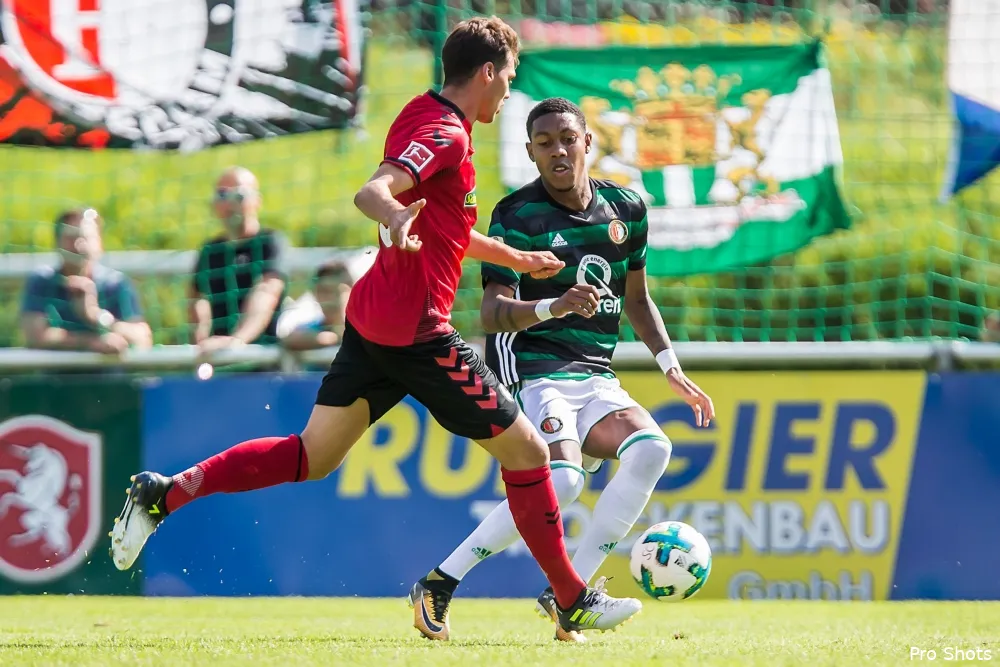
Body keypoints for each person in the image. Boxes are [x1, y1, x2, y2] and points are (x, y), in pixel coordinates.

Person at [109, 18, 642, 641]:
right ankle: (572, 598)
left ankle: (162, 494)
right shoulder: (446, 132)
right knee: (529, 454)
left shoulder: (428, 112)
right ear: (490, 72)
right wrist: (391, 215)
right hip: (416, 330)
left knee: (312, 456)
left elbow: (440, 226)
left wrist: (514, 258)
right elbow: (376, 191)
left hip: (374, 320)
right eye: (509, 80)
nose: (508, 94)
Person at [419, 98, 716, 642]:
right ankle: (441, 582)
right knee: (565, 481)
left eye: (566, 138)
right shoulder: (515, 216)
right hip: (532, 369)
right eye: (544, 142)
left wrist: (670, 366)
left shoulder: (626, 209)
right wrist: (555, 305)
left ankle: (569, 593)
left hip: (596, 377)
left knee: (653, 448)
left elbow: (639, 300)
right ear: (531, 154)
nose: (558, 149)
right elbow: (490, 313)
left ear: (588, 143)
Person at [20, 208, 152, 354]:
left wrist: (95, 315)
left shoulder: (115, 283)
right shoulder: (42, 282)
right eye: (71, 238)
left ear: (99, 243)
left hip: (110, 376)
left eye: (85, 238)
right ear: (57, 243)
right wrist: (90, 342)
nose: (78, 245)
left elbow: (141, 338)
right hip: (57, 376)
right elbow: (36, 337)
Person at [190, 167, 287, 354]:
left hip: (264, 356)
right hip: (217, 354)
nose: (230, 203)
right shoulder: (210, 250)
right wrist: (200, 337)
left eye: (240, 196)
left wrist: (238, 340)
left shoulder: (269, 242)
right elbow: (194, 296)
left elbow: (267, 292)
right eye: (222, 195)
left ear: (257, 201)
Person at [280, 259, 354, 351]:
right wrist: (334, 338)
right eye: (324, 291)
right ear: (315, 294)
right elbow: (289, 339)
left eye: (337, 291)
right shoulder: (311, 328)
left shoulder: (366, 328)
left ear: (353, 292)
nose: (330, 298)